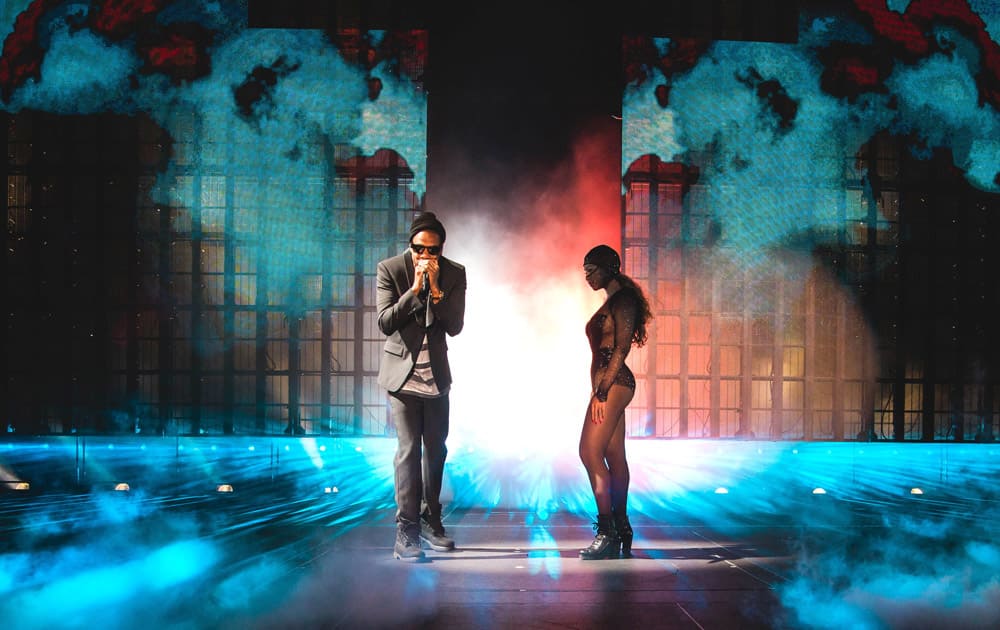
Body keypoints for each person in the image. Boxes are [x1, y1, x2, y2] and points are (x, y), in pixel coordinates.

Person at [376, 211, 467, 561]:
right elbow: (385, 322)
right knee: (408, 450)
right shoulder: (391, 270)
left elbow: (455, 326)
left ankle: (432, 521)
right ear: (410, 245)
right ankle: (406, 531)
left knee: (437, 451)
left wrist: (438, 292)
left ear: (442, 249)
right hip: (402, 377)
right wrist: (415, 290)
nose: (426, 257)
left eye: (433, 250)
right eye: (419, 249)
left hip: (437, 377)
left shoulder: (454, 273)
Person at [579, 244, 651, 560]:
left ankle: (606, 531)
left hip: (615, 384)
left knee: (589, 451)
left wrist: (602, 392)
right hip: (612, 384)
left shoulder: (623, 300)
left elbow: (621, 349)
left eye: (591, 270)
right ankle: (621, 528)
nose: (587, 276)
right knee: (613, 455)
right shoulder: (615, 300)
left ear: (609, 267)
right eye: (585, 271)